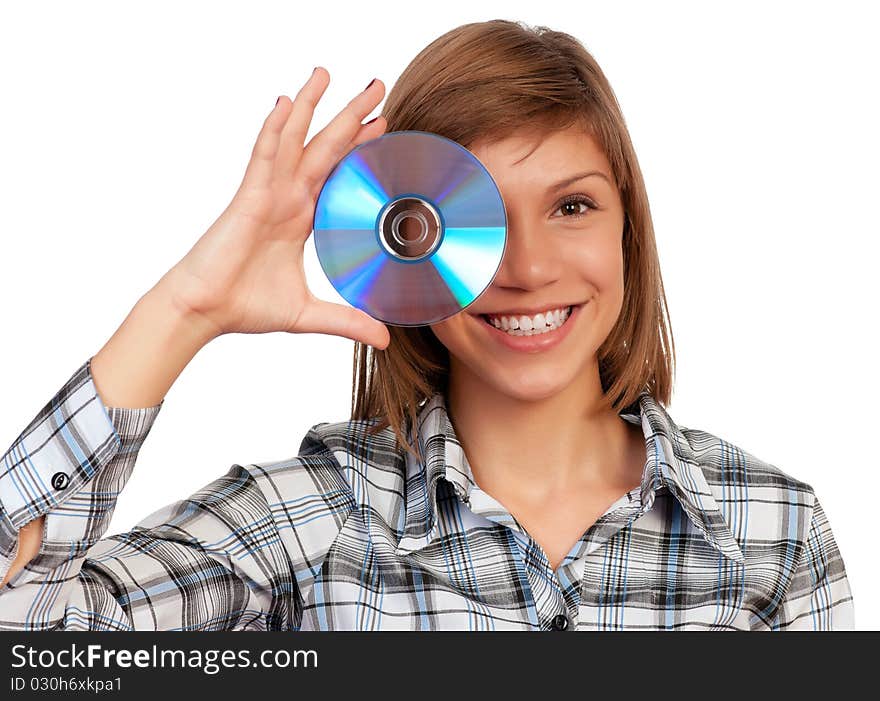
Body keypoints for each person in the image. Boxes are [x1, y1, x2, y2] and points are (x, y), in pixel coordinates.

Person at [0, 19, 854, 631]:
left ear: (628, 230)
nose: (524, 267)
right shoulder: (308, 521)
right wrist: (186, 306)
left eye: (572, 205)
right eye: (471, 216)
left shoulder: (772, 530)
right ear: (399, 241)